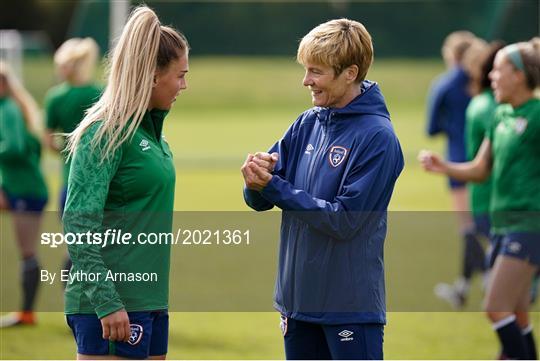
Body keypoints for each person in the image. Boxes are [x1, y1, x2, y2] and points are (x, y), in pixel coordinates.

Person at [242, 19, 403, 360]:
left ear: (350, 73)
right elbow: (261, 200)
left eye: (316, 71)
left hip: (348, 308)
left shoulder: (378, 138)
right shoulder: (307, 122)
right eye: (305, 69)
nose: (306, 81)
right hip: (297, 305)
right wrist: (256, 181)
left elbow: (344, 221)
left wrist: (274, 186)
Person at [62, 6, 189, 359]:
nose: (184, 85)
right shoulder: (105, 132)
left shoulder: (152, 133)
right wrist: (106, 301)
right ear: (151, 76)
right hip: (111, 305)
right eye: (180, 75)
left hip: (149, 299)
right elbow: (78, 224)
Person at [419, 39, 540, 360]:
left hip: (529, 227)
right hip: (502, 226)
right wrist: (443, 166)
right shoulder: (500, 115)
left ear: (519, 74)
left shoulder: (538, 115)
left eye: (499, 70)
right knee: (517, 313)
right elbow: (481, 168)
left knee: (495, 307)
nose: (491, 77)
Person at [426, 31, 484, 308]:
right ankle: (462, 288)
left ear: (451, 55)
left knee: (468, 228)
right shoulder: (482, 81)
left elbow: (431, 127)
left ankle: (491, 277)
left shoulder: (445, 83)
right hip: (487, 161)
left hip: (457, 162)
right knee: (485, 225)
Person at [44, 37, 102, 281]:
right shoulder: (100, 93)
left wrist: (68, 152)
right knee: (99, 247)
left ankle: (71, 297)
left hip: (70, 181)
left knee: (74, 246)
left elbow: (49, 141)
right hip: (98, 182)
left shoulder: (55, 97)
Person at [0, 61, 48, 327]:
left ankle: (27, 314)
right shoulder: (14, 107)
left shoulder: (8, 109)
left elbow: (15, 148)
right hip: (19, 187)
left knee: (27, 252)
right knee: (26, 251)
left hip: (26, 191)